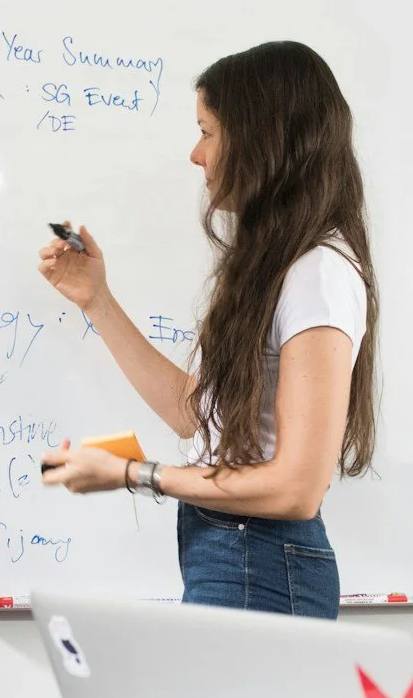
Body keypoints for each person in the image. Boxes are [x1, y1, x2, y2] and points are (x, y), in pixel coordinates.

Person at [35, 39, 379, 619]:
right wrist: (97, 300)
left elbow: (296, 488)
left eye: (208, 131)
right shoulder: (280, 267)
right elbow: (201, 417)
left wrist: (132, 475)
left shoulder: (318, 273)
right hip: (230, 554)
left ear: (263, 140)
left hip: (261, 565)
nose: (196, 155)